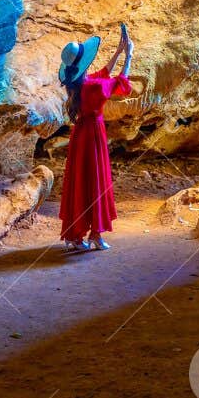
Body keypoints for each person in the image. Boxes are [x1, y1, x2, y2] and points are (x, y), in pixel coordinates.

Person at [57, 24, 134, 251]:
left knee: (80, 182)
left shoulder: (77, 84)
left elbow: (101, 74)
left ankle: (75, 236)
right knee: (96, 181)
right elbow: (121, 84)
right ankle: (96, 235)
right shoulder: (92, 88)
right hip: (93, 135)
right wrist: (129, 57)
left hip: (80, 135)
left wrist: (118, 52)